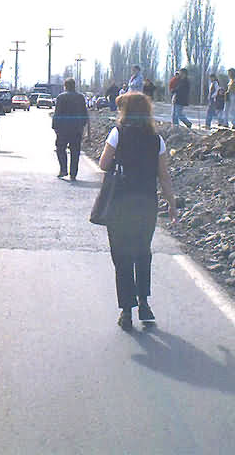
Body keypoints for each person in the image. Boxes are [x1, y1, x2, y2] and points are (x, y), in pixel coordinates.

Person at [98, 92, 177, 331]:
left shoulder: (117, 133)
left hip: (120, 203)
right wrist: (172, 204)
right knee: (142, 252)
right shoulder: (157, 139)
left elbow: (103, 164)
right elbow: (164, 176)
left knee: (122, 256)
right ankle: (144, 303)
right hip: (146, 203)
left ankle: (126, 311)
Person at [52, 77, 88, 180]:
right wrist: (82, 125)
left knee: (60, 149)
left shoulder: (61, 97)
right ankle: (73, 173)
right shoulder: (80, 97)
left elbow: (57, 113)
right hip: (76, 128)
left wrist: (55, 126)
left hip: (63, 129)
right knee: (75, 151)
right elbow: (84, 113)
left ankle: (63, 169)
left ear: (65, 86)